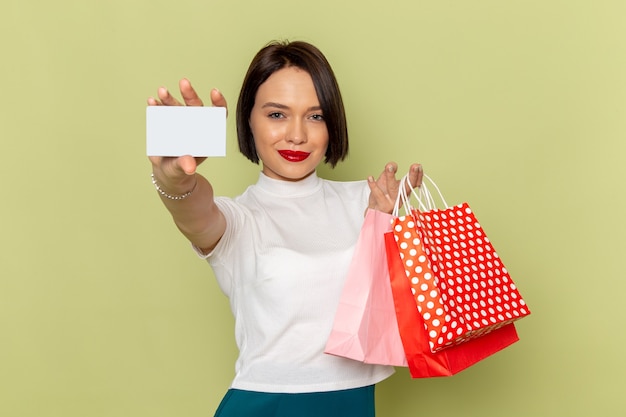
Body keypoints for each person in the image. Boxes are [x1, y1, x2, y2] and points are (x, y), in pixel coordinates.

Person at [147, 40, 422, 417]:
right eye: (277, 115)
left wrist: (382, 223)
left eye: (316, 116)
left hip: (351, 403)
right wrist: (173, 179)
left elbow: (398, 307)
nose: (297, 135)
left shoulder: (367, 199)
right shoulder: (239, 220)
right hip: (263, 404)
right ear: (248, 120)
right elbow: (192, 207)